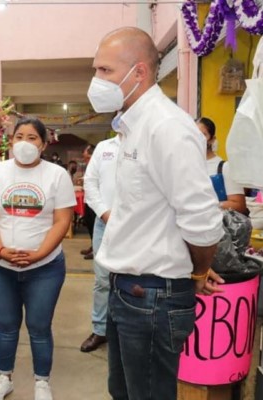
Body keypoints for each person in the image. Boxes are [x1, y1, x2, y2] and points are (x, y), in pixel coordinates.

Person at [88, 27, 224, 400]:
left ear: (140, 73)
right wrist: (187, 260)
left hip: (152, 296)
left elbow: (202, 222)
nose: (96, 82)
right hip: (128, 289)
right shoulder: (133, 126)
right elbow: (153, 211)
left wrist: (195, 271)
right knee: (124, 391)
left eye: (105, 71)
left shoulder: (166, 127)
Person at [0, 117, 75, 400]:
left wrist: (39, 254)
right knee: (6, 326)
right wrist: (0, 250)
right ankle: (3, 378)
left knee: (39, 326)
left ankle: (41, 382)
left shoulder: (57, 175)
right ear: (11, 142)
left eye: (32, 137)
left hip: (45, 268)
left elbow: (62, 220)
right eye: (19, 136)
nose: (24, 142)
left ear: (43, 144)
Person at [80, 134, 120, 353]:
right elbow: (90, 182)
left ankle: (124, 333)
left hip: (138, 225)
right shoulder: (104, 147)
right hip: (104, 223)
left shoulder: (148, 143)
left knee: (134, 280)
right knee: (103, 280)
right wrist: (104, 213)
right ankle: (100, 330)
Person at [196, 117, 248, 215]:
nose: (197, 139)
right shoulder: (186, 167)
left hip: (218, 227)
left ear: (212, 139)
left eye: (202, 135)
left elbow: (239, 205)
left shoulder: (224, 167)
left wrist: (211, 205)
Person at [79, 144, 96, 259]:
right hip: (88, 198)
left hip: (96, 200)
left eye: (87, 157)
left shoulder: (98, 165)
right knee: (89, 223)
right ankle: (93, 245)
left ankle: (97, 249)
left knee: (95, 224)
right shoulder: (89, 166)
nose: (85, 160)